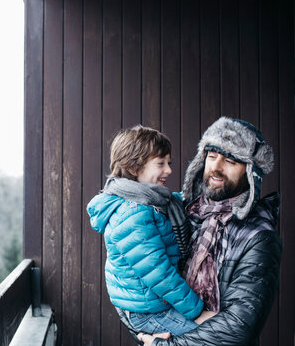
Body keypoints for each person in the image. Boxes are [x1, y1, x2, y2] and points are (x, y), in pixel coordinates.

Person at [139, 117, 282, 345]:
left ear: (250, 172)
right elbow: (137, 281)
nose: (215, 167)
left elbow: (238, 327)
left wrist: (164, 345)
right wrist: (147, 333)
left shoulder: (259, 237)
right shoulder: (182, 213)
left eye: (230, 161)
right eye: (211, 156)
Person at [86, 125, 214, 340]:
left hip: (154, 303)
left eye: (168, 163)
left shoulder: (155, 202)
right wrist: (197, 312)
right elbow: (159, 274)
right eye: (160, 163)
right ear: (134, 168)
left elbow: (181, 200)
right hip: (147, 312)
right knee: (214, 336)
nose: (169, 170)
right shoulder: (132, 214)